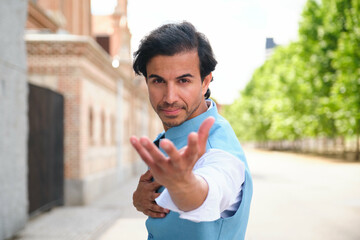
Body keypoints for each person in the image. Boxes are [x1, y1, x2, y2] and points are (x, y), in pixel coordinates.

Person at [130, 21, 252, 240]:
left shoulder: (218, 150)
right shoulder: (175, 133)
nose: (169, 97)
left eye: (183, 80)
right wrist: (141, 198)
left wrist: (183, 186)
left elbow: (212, 188)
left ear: (205, 82)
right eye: (157, 80)